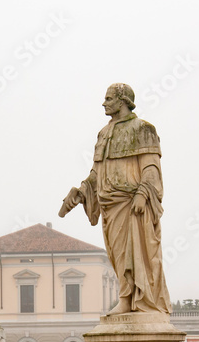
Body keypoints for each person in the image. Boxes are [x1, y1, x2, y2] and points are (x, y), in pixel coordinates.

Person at [59, 83, 171, 315]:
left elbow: (151, 168)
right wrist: (81, 191)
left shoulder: (143, 129)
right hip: (110, 206)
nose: (104, 103)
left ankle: (133, 299)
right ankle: (126, 296)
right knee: (118, 255)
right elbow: (96, 173)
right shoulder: (103, 134)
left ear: (123, 101)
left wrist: (143, 193)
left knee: (138, 254)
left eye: (109, 99)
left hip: (133, 205)